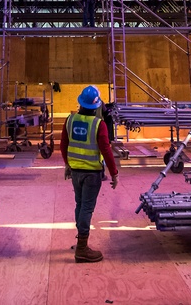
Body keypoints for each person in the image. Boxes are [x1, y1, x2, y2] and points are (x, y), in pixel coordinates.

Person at [62, 85, 118, 262]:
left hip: (76, 172)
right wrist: (114, 173)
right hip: (91, 174)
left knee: (80, 205)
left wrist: (67, 165)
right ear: (96, 106)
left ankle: (81, 240)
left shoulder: (70, 120)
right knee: (87, 207)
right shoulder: (98, 124)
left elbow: (64, 145)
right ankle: (82, 248)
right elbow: (106, 150)